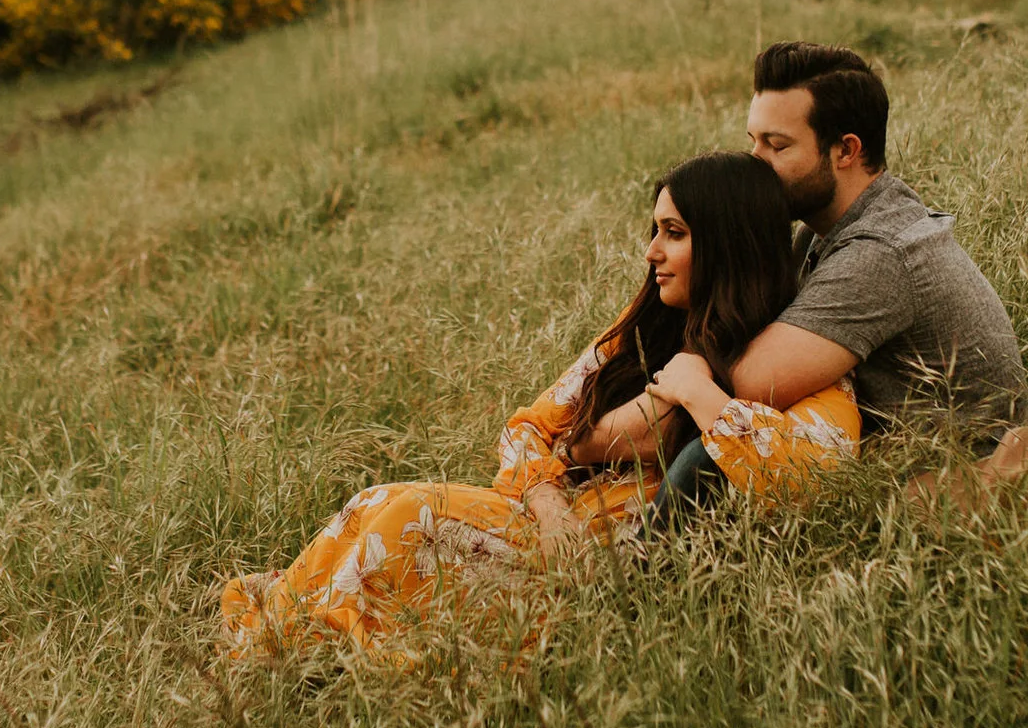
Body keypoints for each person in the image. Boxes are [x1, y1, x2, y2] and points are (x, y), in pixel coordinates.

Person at [221, 152, 860, 657]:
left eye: (674, 233)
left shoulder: (791, 362)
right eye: (655, 230)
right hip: (550, 531)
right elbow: (531, 426)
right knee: (381, 505)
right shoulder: (644, 330)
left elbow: (815, 470)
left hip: (605, 577)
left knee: (405, 514)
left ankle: (286, 645)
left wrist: (700, 392)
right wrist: (552, 506)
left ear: (726, 245)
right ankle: (283, 642)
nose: (651, 252)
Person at [649, 42, 1028, 525]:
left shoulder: (881, 253)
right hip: (869, 453)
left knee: (712, 454)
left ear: (846, 150)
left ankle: (634, 578)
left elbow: (749, 383)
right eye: (754, 141)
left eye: (777, 145)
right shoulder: (818, 229)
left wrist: (685, 371)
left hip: (948, 479)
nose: (755, 161)